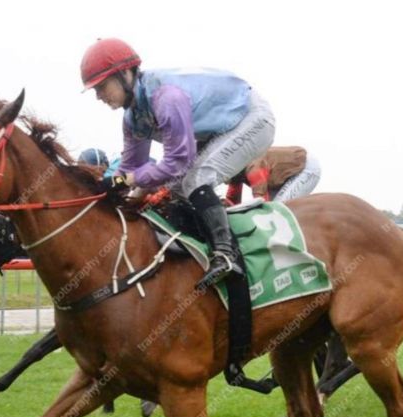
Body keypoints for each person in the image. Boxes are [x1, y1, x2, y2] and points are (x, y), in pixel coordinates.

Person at [80, 37, 275, 288]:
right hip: (219, 130)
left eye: (101, 86)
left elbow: (176, 163)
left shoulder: (166, 97)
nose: (99, 96)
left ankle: (226, 255)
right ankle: (204, 247)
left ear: (125, 73)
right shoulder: (132, 117)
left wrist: (130, 181)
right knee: (175, 188)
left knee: (196, 178)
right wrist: (102, 191)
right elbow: (130, 168)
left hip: (252, 118)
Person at [225, 146, 321, 205]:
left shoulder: (254, 168)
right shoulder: (235, 171)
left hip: (305, 167)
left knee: (278, 209)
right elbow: (233, 201)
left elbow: (261, 201)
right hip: (281, 176)